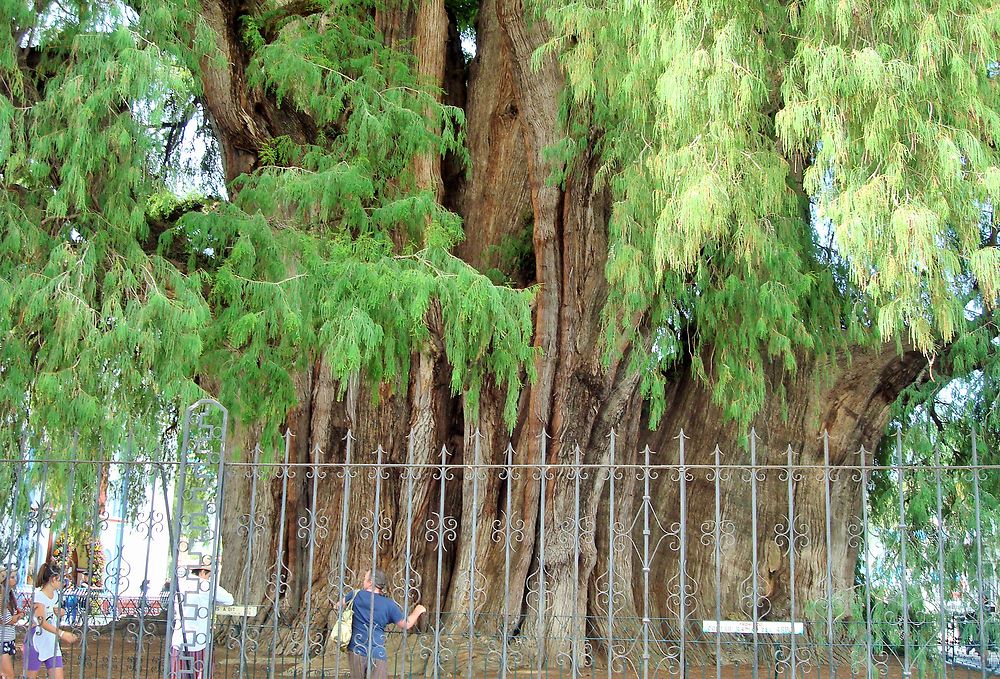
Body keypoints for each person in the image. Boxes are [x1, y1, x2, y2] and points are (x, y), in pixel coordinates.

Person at [342, 569, 426, 679]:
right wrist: (418, 610)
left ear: (371, 581)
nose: (363, 581)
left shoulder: (356, 595)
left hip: (356, 649)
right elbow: (406, 624)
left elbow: (338, 605)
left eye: (365, 578)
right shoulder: (389, 604)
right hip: (377, 652)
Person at [169, 557, 234, 679]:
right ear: (203, 572)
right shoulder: (206, 585)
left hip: (179, 639)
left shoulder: (180, 584)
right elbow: (229, 600)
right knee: (201, 673)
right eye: (208, 575)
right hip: (199, 641)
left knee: (178, 674)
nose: (209, 578)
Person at [24, 563, 78, 679]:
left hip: (51, 641)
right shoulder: (39, 596)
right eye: (61, 580)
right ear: (53, 579)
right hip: (36, 641)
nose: (63, 583)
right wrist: (63, 634)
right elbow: (41, 622)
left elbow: (53, 615)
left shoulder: (56, 595)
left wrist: (60, 612)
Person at [0, 569, 25, 679]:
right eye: (12, 577)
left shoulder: (10, 595)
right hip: (2, 640)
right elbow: (6, 619)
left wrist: (17, 616)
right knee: (8, 675)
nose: (15, 580)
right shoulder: (1, 596)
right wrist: (19, 616)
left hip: (8, 639)